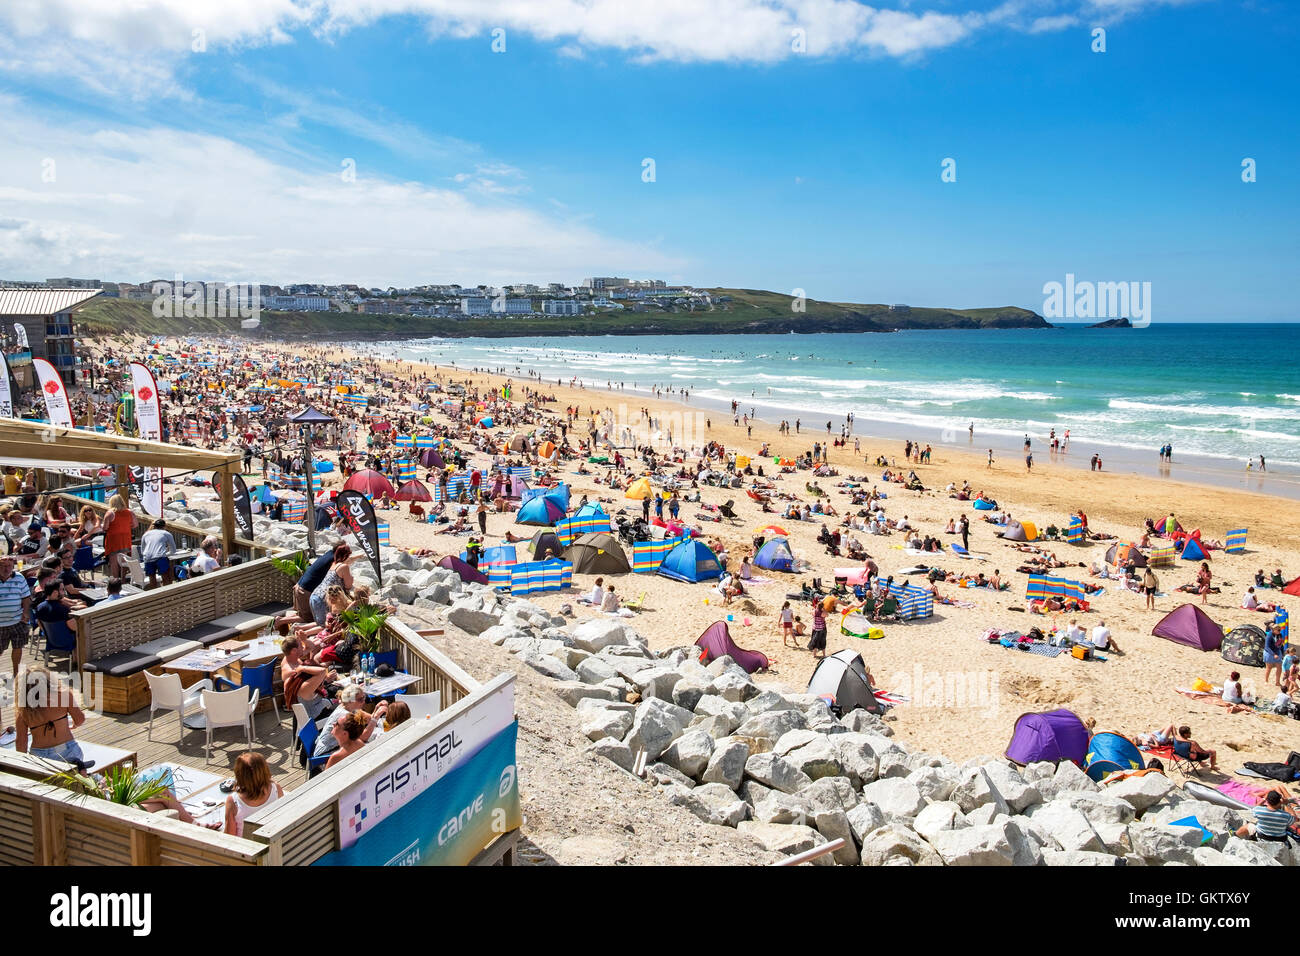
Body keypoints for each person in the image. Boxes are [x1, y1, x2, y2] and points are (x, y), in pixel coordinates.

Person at [15, 665, 87, 766]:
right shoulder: (64, 695)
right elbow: (80, 719)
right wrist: (75, 723)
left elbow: (21, 742)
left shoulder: (23, 710)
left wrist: (23, 763)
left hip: (39, 755)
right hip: (67, 750)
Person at [313, 685, 385, 760]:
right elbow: (363, 737)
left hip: (333, 746)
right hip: (325, 753)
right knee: (370, 749)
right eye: (360, 699)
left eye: (364, 697)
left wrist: (377, 709)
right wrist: (375, 718)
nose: (364, 701)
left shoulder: (347, 707)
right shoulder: (344, 715)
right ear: (350, 701)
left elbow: (370, 718)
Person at [223, 752, 284, 838]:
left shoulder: (233, 801)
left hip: (246, 849)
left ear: (239, 775)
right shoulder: (276, 789)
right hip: (273, 843)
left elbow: (229, 837)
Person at [280, 636, 337, 722]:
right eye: (301, 646)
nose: (303, 648)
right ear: (294, 650)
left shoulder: (294, 658)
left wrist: (303, 639)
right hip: (313, 716)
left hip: (308, 703)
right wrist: (304, 668)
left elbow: (311, 647)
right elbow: (321, 672)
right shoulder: (291, 671)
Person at [0, 555, 32, 682]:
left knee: (18, 647)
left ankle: (16, 674)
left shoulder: (19, 578)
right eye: (3, 566)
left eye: (9, 566)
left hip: (17, 620)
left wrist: (25, 613)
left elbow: (26, 597)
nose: (7, 569)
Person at [310, 543, 356, 626]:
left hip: (315, 595)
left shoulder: (334, 564)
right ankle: (300, 631)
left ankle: (297, 629)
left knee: (320, 625)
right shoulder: (344, 567)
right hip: (322, 600)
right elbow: (348, 586)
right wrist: (352, 578)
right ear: (346, 555)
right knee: (326, 627)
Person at [101, 494, 136, 579]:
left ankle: (116, 579)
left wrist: (102, 526)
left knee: (114, 561)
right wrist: (126, 526)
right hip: (125, 538)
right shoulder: (130, 512)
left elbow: (105, 527)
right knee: (124, 560)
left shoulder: (110, 513)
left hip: (113, 539)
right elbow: (135, 525)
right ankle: (123, 579)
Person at [139, 518, 176, 587]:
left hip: (148, 557)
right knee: (165, 577)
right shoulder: (166, 533)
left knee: (152, 578)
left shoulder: (146, 534)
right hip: (160, 557)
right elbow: (173, 550)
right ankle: (167, 592)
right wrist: (166, 554)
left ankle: (154, 593)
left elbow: (142, 551)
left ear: (154, 526)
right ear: (164, 526)